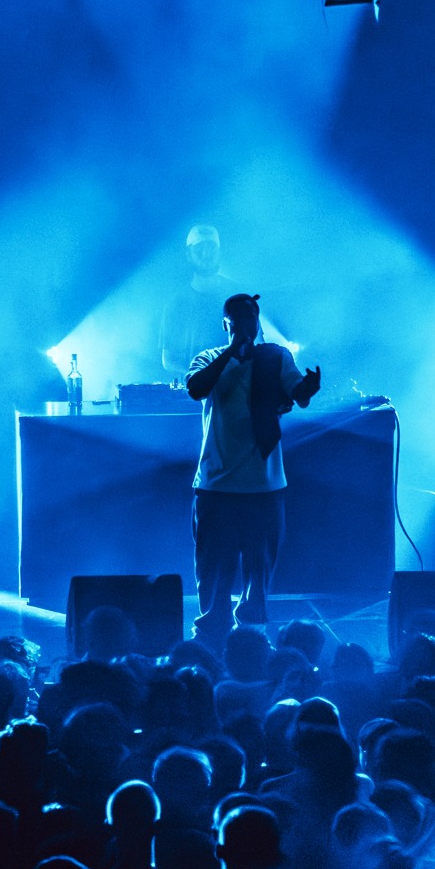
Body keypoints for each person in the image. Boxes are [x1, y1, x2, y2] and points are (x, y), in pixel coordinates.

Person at [185, 293, 321, 644]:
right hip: (216, 483)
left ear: (258, 322)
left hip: (264, 484)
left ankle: (252, 638)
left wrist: (308, 387)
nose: (246, 327)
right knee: (213, 571)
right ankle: (211, 636)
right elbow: (196, 388)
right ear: (226, 324)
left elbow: (298, 392)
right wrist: (232, 351)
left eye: (251, 321)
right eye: (238, 322)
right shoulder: (209, 358)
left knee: (258, 573)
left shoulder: (275, 356)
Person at [161, 226, 242, 379]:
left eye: (211, 247)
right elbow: (169, 359)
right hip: (197, 391)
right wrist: (198, 377)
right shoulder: (177, 303)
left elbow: (257, 342)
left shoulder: (238, 295)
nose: (206, 253)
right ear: (188, 254)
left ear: (219, 251)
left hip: (238, 389)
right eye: (199, 248)